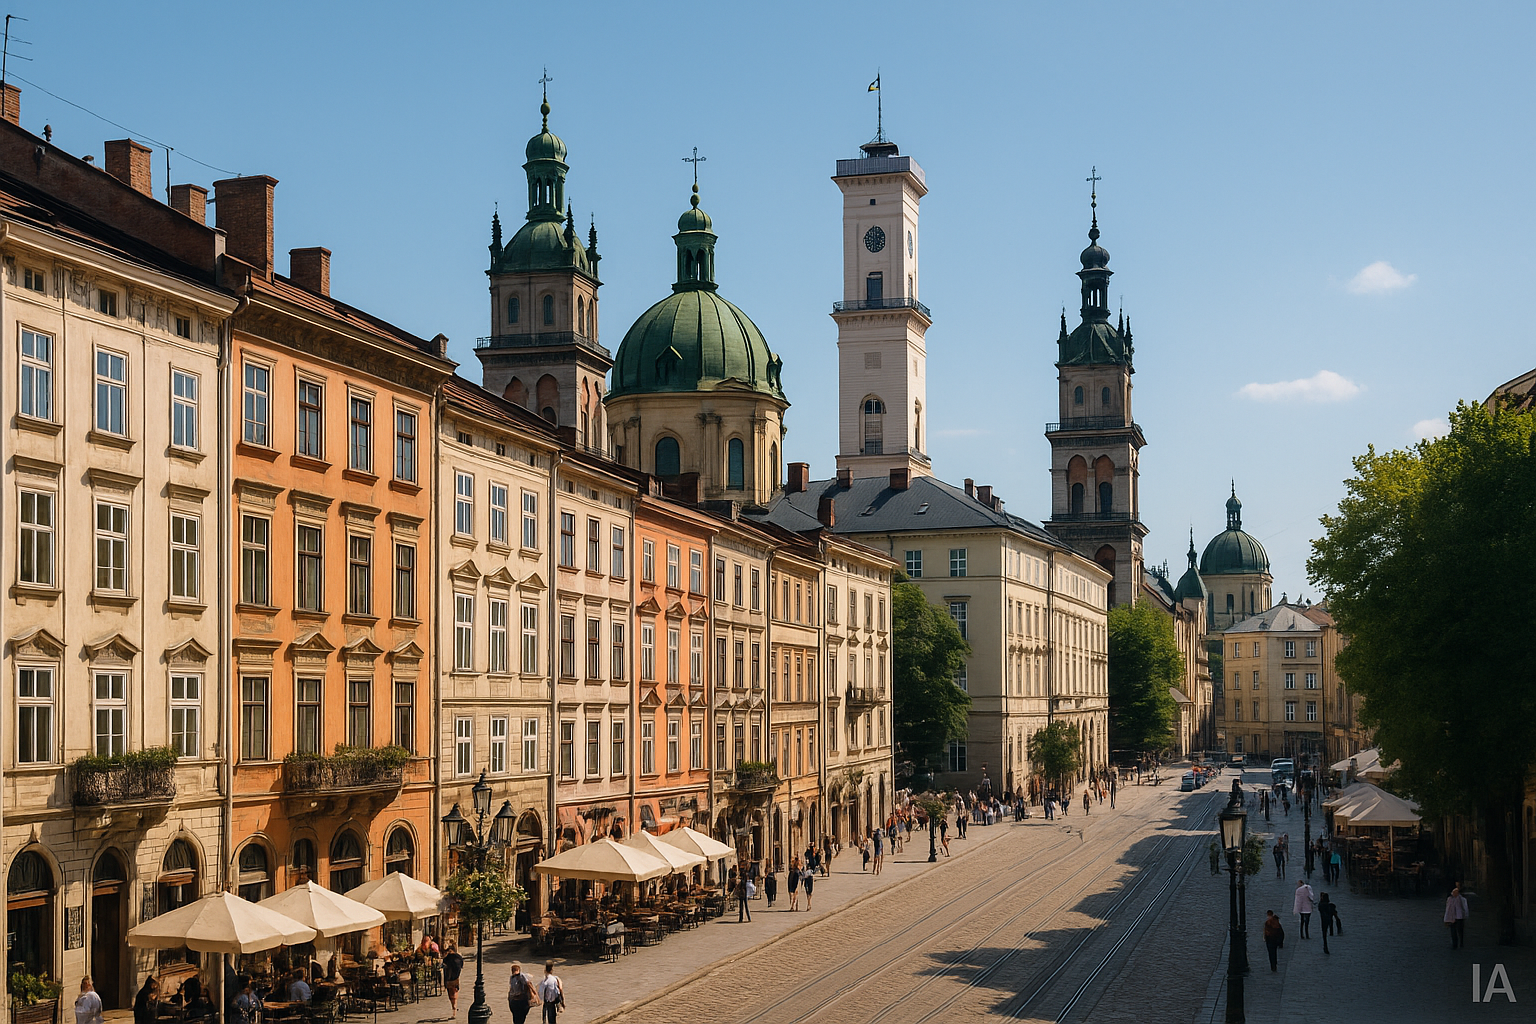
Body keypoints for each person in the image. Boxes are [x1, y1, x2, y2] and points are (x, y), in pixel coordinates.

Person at [441, 942, 464, 1015]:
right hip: (455, 977)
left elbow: (444, 966)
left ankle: (454, 1006)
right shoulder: (458, 957)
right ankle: (454, 1005)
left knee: (451, 992)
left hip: (449, 978)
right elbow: (461, 965)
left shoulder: (447, 958)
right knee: (455, 991)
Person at [1444, 883, 1469, 949]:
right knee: (1454, 930)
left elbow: (1464, 907)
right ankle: (1455, 943)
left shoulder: (1461, 899)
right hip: (1453, 916)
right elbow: (1448, 909)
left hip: (1459, 916)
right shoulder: (1450, 899)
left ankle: (1460, 942)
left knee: (1459, 930)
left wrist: (1465, 915)